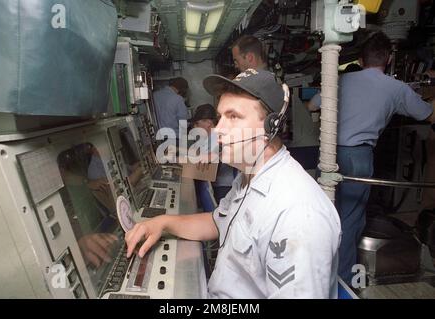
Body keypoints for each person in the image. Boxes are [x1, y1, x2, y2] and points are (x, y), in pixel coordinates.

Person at [125, 69, 341, 298]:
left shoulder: (297, 215)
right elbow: (217, 222)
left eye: (234, 117)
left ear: (271, 127)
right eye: (220, 118)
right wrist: (162, 222)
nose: (218, 130)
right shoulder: (248, 176)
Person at [307, 31, 435, 284]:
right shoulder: (396, 88)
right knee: (350, 221)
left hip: (328, 153)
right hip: (358, 157)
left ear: (362, 60)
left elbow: (312, 105)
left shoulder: (341, 79)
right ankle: (341, 282)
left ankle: (317, 275)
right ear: (387, 59)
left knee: (326, 216)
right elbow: (428, 115)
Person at [190, 103, 237, 204]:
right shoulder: (205, 138)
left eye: (197, 124)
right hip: (213, 184)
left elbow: (209, 168)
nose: (194, 127)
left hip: (223, 187)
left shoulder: (217, 138)